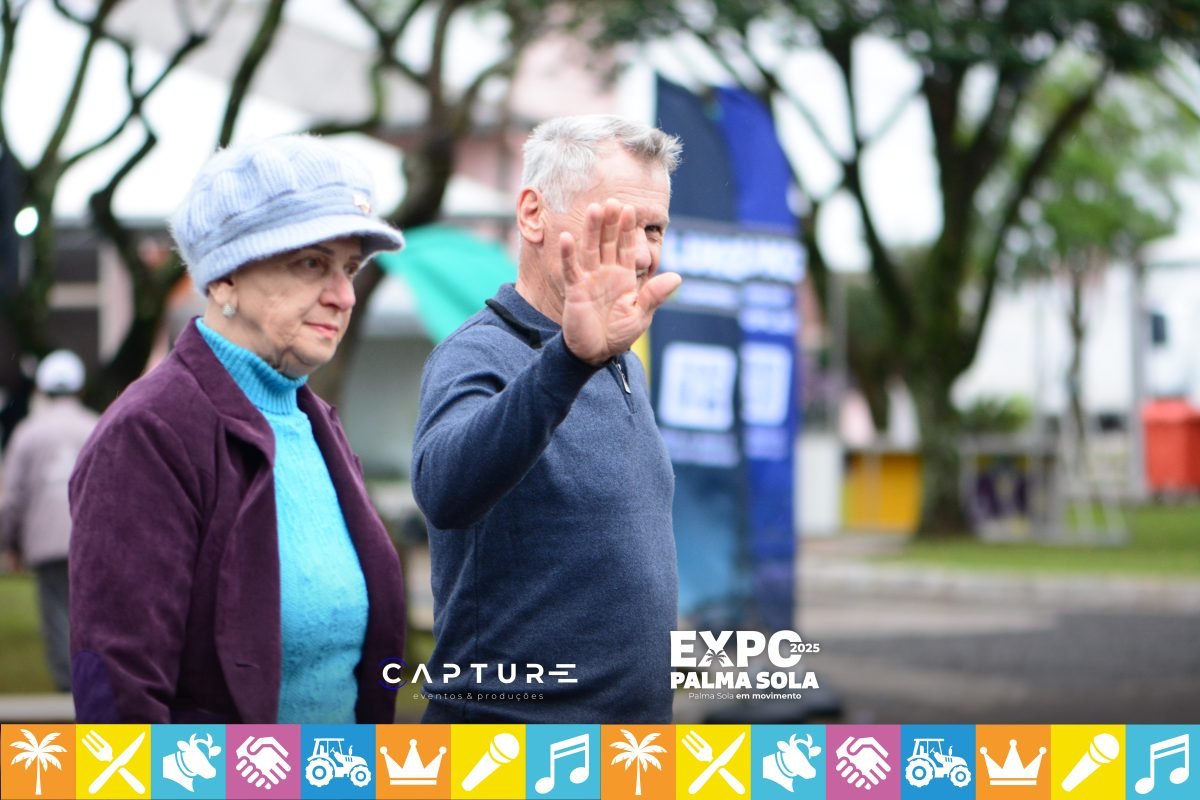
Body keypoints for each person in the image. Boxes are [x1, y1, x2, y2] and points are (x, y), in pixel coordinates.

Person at [68, 134, 407, 723]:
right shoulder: (148, 433)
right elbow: (119, 699)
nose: (344, 296)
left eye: (350, 268)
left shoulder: (313, 422)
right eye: (312, 264)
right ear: (224, 278)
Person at [412, 115, 683, 723]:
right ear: (533, 214)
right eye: (618, 225)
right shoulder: (478, 353)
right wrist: (568, 362)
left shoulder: (623, 363)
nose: (643, 254)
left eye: (654, 229)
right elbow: (443, 491)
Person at [0, 350, 99, 691]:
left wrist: (7, 542)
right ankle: (93, 685)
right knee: (91, 614)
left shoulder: (28, 433)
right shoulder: (96, 424)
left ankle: (69, 687)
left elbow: (12, 497)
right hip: (91, 536)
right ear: (80, 387)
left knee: (57, 613)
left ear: (41, 388)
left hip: (45, 540)